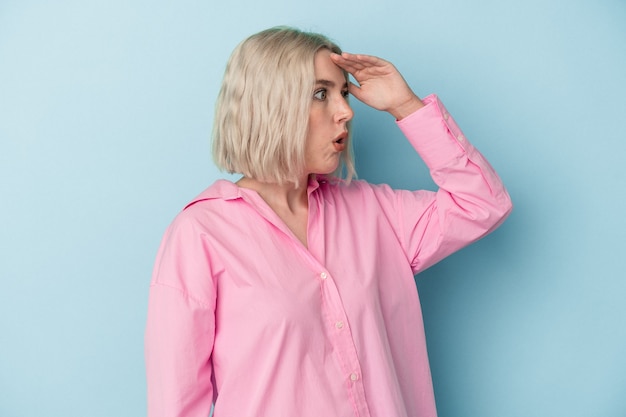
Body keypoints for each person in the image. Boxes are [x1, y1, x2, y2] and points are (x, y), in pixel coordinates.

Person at [145, 26, 512, 417]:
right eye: (321, 93)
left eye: (342, 92)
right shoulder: (202, 234)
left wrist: (405, 105)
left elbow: (482, 203)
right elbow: (177, 405)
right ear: (272, 104)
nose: (347, 111)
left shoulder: (373, 212)